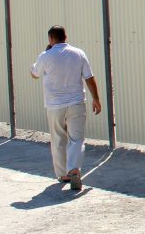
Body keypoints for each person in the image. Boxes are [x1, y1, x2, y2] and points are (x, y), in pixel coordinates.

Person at [30, 26, 102, 191]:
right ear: (66, 36)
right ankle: (74, 169)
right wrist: (96, 98)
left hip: (55, 105)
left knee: (58, 139)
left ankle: (63, 174)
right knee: (76, 139)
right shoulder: (78, 53)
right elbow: (89, 77)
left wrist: (44, 55)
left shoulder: (45, 56)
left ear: (50, 39)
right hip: (76, 103)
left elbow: (34, 73)